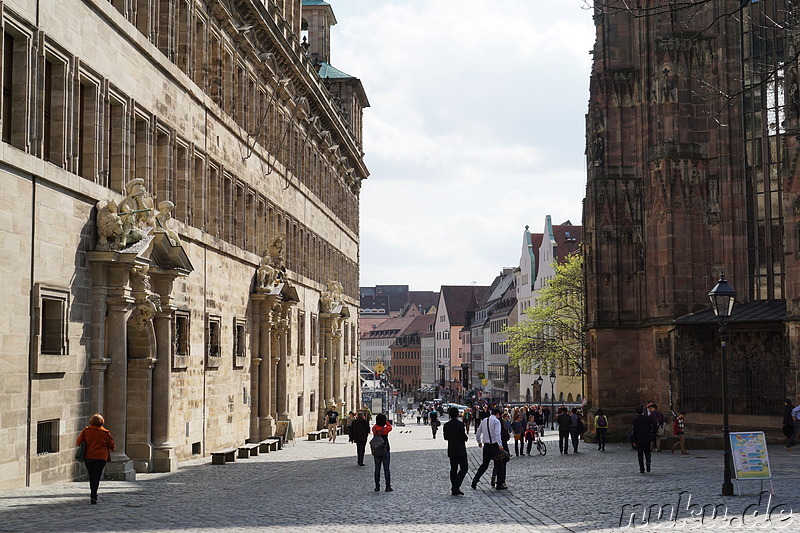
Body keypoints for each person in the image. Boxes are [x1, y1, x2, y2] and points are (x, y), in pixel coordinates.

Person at [76, 413, 115, 504]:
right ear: (101, 422)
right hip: (100, 457)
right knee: (96, 476)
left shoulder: (86, 431)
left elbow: (78, 442)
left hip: (88, 456)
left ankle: (93, 494)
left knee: (92, 475)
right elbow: (112, 445)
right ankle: (94, 495)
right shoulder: (105, 433)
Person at [471, 407, 507, 490]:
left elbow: (478, 432)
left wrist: (479, 442)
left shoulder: (484, 420)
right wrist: (500, 444)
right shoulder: (496, 421)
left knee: (484, 465)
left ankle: (475, 479)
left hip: (486, 446)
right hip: (494, 446)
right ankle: (499, 484)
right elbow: (497, 434)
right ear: (497, 414)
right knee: (500, 465)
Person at [443, 407, 469, 495]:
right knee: (464, 468)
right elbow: (463, 436)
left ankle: (455, 487)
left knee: (453, 469)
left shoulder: (446, 425)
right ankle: (456, 486)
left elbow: (445, 437)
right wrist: (465, 438)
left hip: (451, 449)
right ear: (457, 414)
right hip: (460, 449)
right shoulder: (460, 424)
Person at [371, 413, 393, 491]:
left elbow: (374, 427)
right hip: (385, 449)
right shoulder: (385, 429)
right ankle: (387, 486)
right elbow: (390, 427)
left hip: (376, 450)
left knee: (377, 469)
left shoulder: (374, 428)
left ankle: (377, 486)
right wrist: (386, 422)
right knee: (386, 468)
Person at [632, 406, 656, 473]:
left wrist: (634, 440)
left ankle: (642, 468)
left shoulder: (635, 420)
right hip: (647, 437)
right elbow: (654, 426)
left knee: (640, 455)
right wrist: (652, 432)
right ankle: (648, 462)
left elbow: (634, 431)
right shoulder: (648, 418)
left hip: (639, 439)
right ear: (643, 411)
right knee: (647, 452)